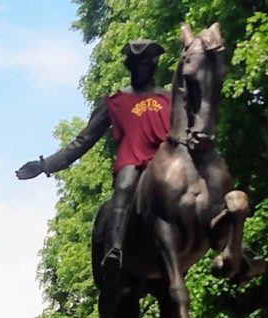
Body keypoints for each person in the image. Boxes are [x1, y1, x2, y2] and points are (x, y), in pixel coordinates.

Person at [16, 40, 169, 273]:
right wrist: (45, 165)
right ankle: (114, 248)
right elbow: (83, 141)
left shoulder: (170, 99)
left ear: (153, 66)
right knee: (125, 185)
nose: (141, 69)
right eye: (137, 64)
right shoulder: (115, 102)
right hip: (134, 162)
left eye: (146, 63)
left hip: (167, 162)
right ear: (130, 66)